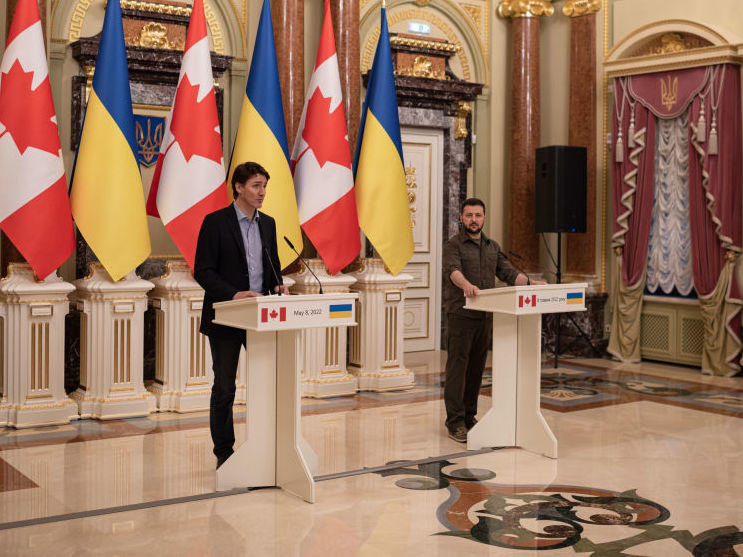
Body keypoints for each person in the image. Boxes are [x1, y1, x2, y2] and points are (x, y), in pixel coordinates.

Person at [194, 161, 289, 468]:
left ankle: (266, 445)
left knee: (267, 381)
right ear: (238, 187)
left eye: (264, 186)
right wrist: (234, 294)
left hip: (261, 317)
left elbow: (272, 265)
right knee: (225, 386)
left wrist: (279, 287)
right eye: (256, 186)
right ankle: (225, 452)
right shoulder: (215, 222)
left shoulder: (268, 224)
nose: (262, 192)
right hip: (226, 316)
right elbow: (203, 271)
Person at [442, 198, 546, 443]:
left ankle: (469, 416)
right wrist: (467, 285)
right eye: (469, 215)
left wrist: (532, 284)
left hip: (485, 316)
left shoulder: (491, 246)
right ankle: (454, 421)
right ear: (461, 218)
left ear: (484, 218)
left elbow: (508, 273)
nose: (473, 220)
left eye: (478, 215)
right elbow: (452, 270)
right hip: (461, 314)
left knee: (477, 369)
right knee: (458, 369)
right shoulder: (453, 245)